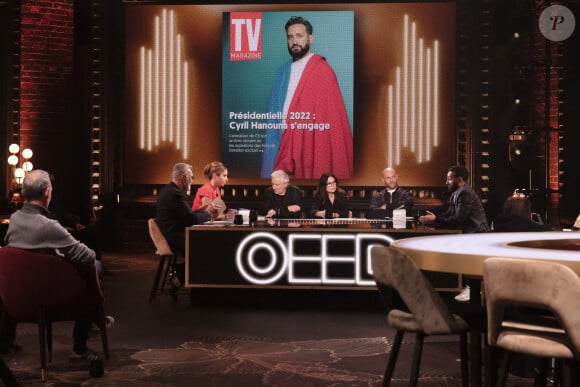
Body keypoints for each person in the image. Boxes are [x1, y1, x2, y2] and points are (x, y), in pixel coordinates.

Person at [2, 169, 103, 362]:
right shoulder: (50, 226)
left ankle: (5, 342)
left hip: (17, 296)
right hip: (48, 297)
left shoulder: (14, 220)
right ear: (47, 192)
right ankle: (80, 346)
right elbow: (88, 256)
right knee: (95, 267)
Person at [260, 16, 353, 180]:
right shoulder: (281, 72)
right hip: (283, 141)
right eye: (290, 37)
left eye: (299, 36)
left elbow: (331, 119)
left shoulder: (323, 70)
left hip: (309, 143)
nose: (294, 41)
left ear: (311, 38)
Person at [419, 165, 489, 302]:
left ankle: (470, 288)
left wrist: (435, 219)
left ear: (460, 180)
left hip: (476, 236)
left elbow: (458, 219)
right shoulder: (457, 193)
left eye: (450, 179)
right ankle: (463, 286)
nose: (446, 182)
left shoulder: (465, 193)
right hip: (469, 235)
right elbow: (449, 215)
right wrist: (434, 219)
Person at [156, 163, 217, 259]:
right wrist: (209, 213)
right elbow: (191, 219)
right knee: (213, 241)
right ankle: (198, 272)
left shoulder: (168, 190)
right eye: (191, 177)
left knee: (210, 239)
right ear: (183, 177)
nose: (192, 181)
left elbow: (187, 215)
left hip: (171, 236)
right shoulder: (175, 194)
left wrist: (202, 209)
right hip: (175, 239)